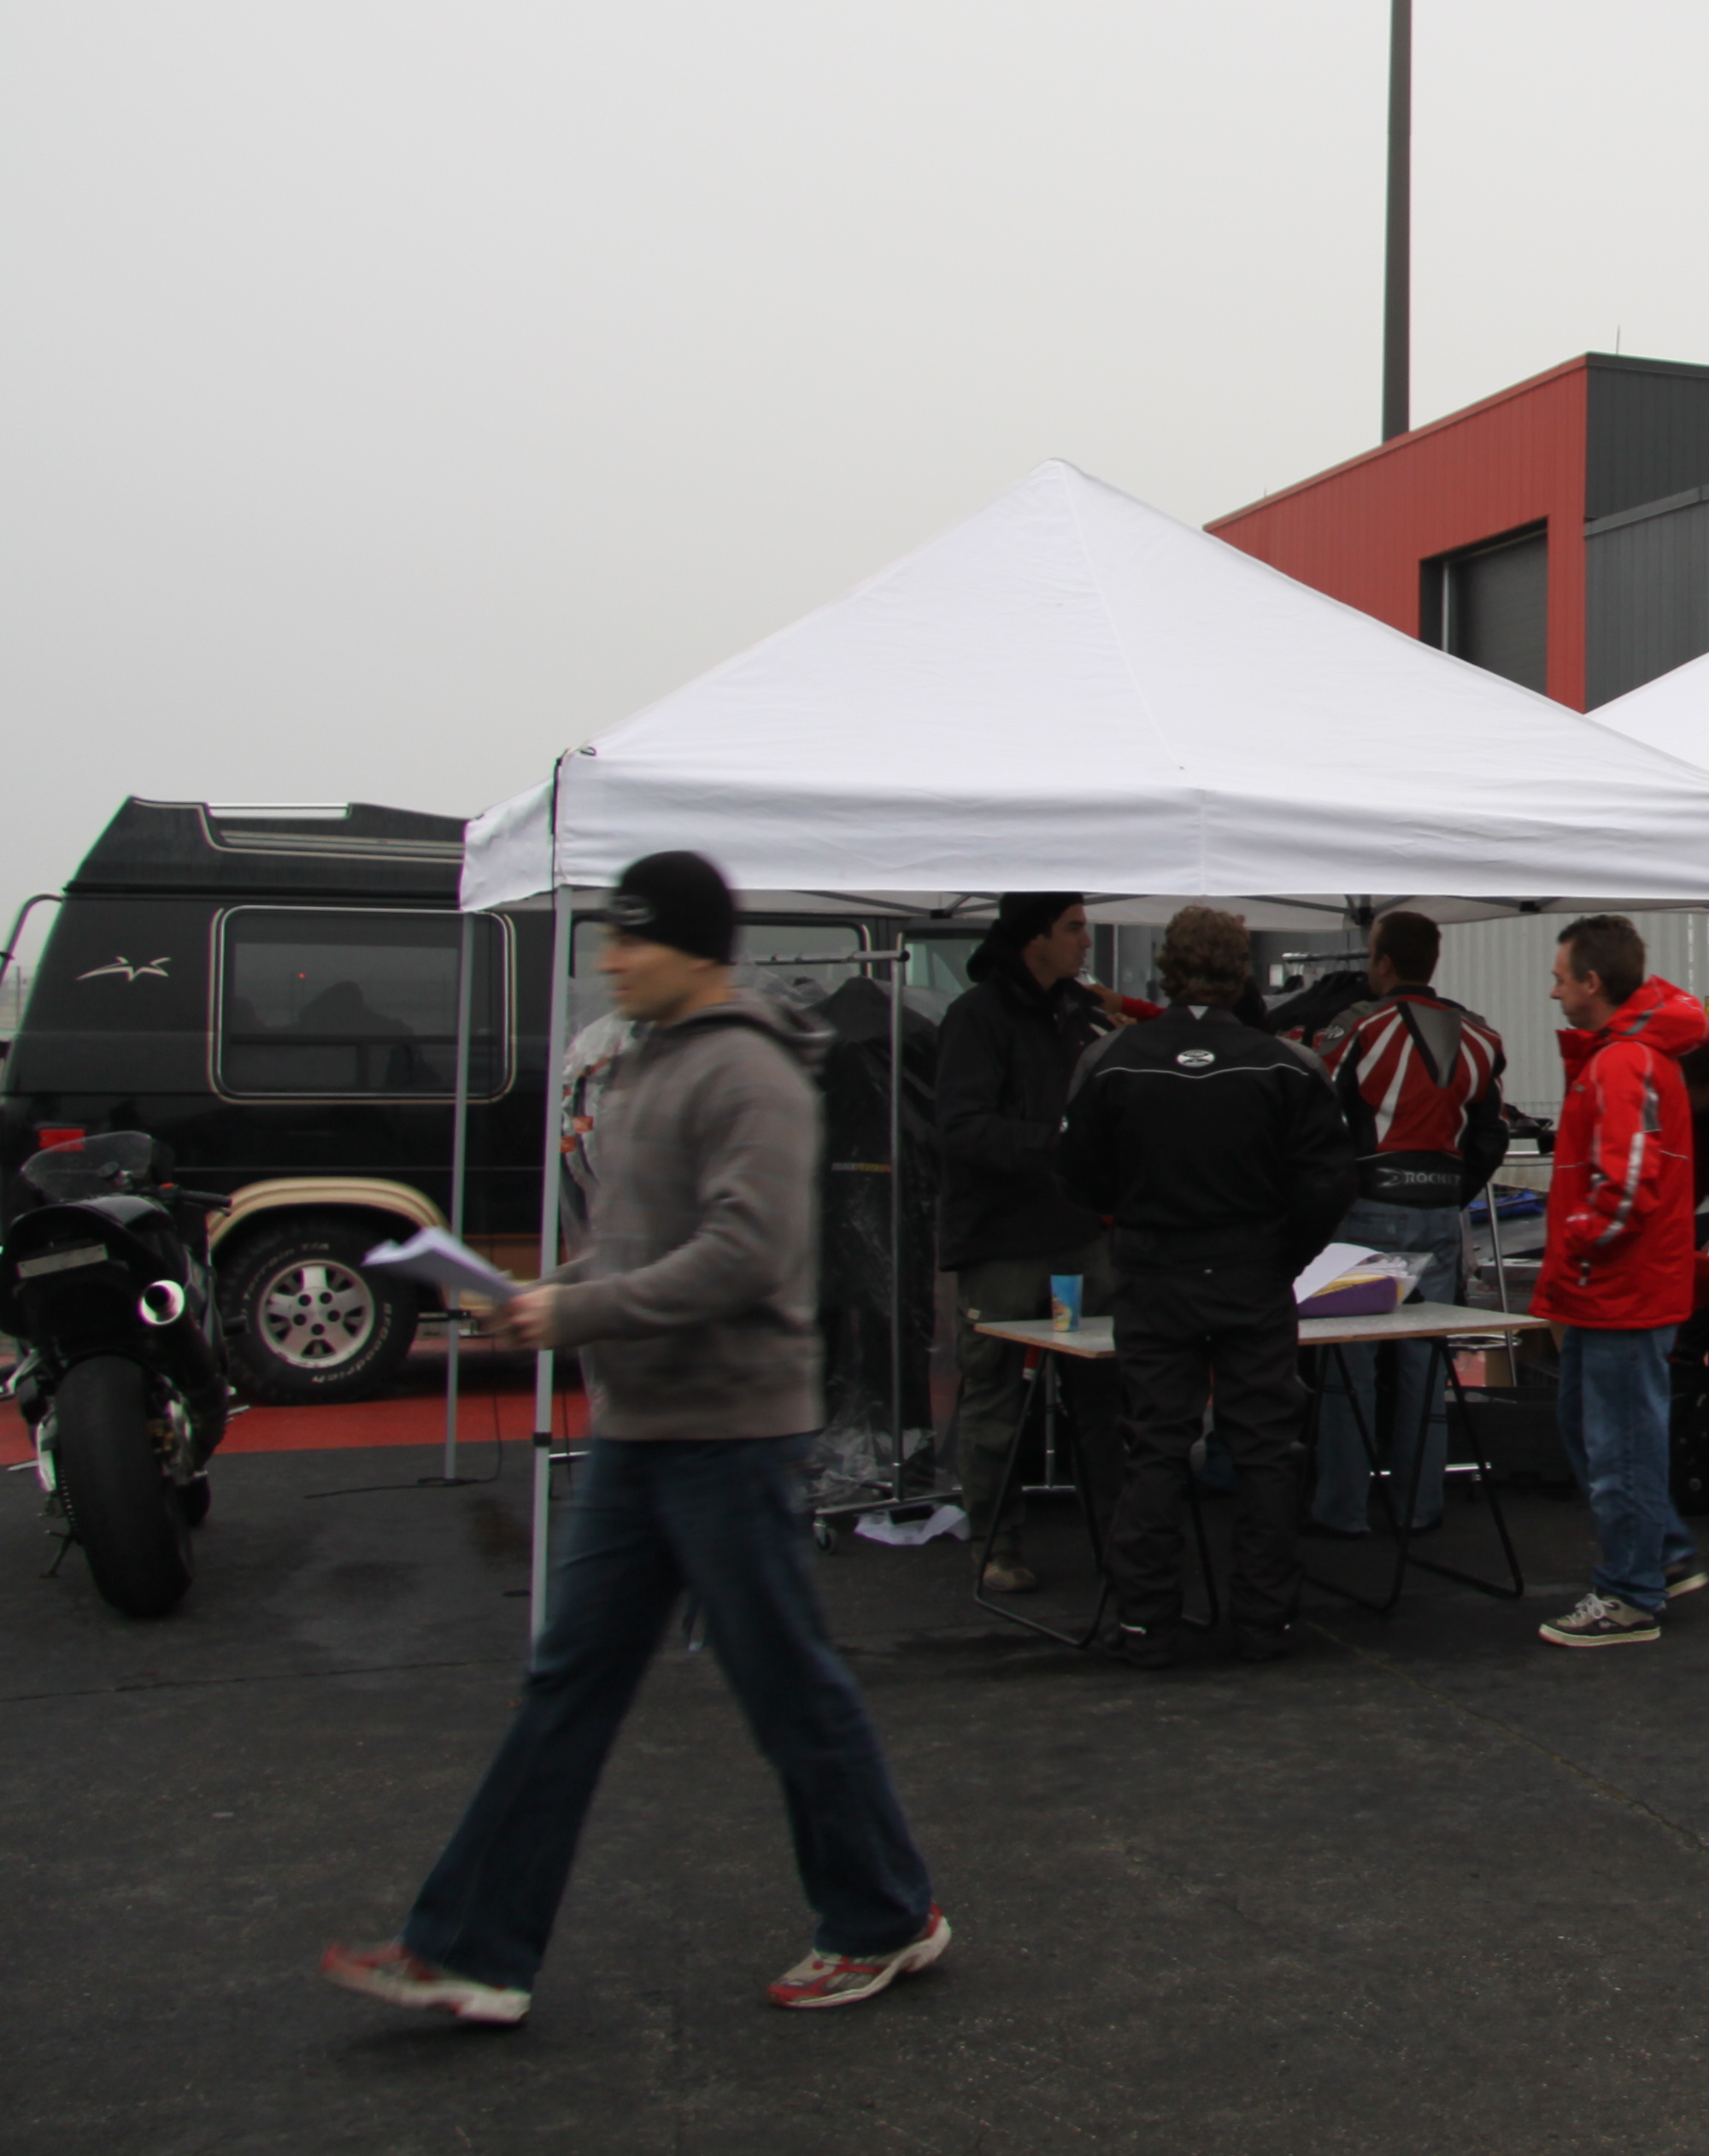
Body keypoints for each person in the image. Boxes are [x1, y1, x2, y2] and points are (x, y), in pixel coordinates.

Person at [321, 851, 946, 2026]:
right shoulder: (644, 1065)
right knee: (570, 1682)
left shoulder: (752, 1073)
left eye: (631, 937)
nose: (610, 959)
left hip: (730, 1432)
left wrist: (576, 1313)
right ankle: (471, 1948)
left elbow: (744, 1256)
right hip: (642, 1427)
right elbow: (631, 1246)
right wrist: (539, 1292)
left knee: (786, 1686)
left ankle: (883, 1916)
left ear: (694, 948)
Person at [1055, 904, 1359, 1669]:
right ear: (1241, 972)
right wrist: (1285, 1255)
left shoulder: (1113, 1058)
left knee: (1155, 1444)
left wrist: (1131, 1219)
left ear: (1167, 967)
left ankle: (1147, 1623)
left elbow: (1076, 1171)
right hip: (1251, 1268)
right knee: (1265, 1448)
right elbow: (1330, 1179)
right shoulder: (1287, 1064)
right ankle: (1264, 1621)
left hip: (1156, 1269)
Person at [1532, 914, 1709, 1646]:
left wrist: (1577, 1244)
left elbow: (1627, 1187)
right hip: (1613, 1285)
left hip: (1617, 1287)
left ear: (1592, 982)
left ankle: (1632, 1592)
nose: (1554, 993)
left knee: (1617, 1443)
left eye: (1560, 980)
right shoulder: (1628, 1055)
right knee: (1598, 1431)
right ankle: (1658, 1554)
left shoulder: (1622, 1061)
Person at [1305, 911, 1511, 1541]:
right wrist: (1453, 1191)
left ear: (1385, 963)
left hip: (1368, 1210)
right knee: (1426, 1366)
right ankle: (1419, 1508)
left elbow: (1316, 1117)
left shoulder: (1358, 1027)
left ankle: (1341, 1510)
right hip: (1441, 1214)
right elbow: (1493, 1133)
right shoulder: (1479, 1035)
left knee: (1351, 1366)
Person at [934, 893, 1113, 1596]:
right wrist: (1059, 1143)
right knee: (995, 1396)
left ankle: (1118, 1539)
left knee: (1103, 1392)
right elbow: (960, 1128)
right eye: (1074, 928)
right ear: (1032, 937)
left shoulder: (1083, 1013)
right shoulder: (976, 1017)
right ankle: (995, 1545)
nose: (1086, 942)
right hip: (1003, 1240)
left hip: (1078, 1234)